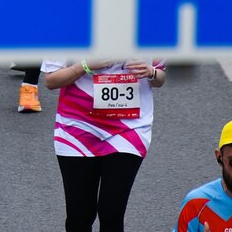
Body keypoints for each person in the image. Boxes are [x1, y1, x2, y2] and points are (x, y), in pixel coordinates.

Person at [42, 57, 167, 231]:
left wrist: (151, 72)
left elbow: (160, 77)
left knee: (112, 213)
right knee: (79, 215)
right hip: (77, 127)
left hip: (129, 129)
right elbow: (51, 81)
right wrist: (86, 66)